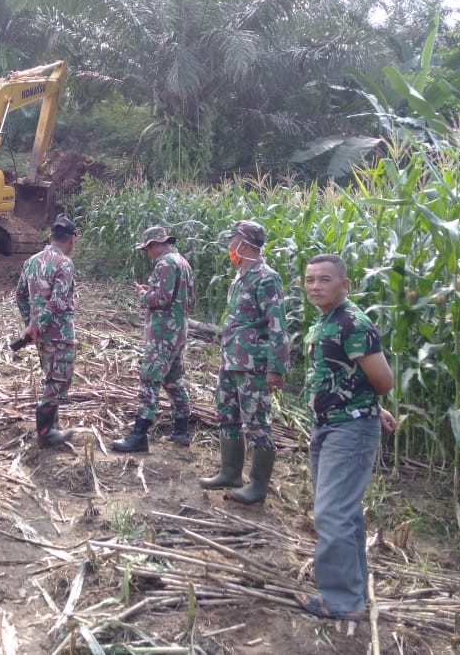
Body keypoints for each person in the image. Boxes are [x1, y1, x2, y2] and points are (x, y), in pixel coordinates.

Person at [295, 254, 398, 621]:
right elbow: (351, 375)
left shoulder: (353, 323)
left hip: (348, 429)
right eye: (309, 280)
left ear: (344, 284)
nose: (315, 286)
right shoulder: (328, 320)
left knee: (332, 514)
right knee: (344, 513)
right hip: (330, 424)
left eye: (325, 280)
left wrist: (371, 407)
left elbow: (384, 381)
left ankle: (342, 602)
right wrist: (375, 407)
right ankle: (352, 595)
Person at [201, 221, 289, 504]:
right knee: (227, 414)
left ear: (246, 244)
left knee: (256, 422)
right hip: (231, 359)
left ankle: (258, 486)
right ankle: (230, 472)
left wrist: (276, 367)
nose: (230, 247)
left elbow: (277, 326)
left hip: (253, 364)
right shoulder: (240, 276)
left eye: (233, 241)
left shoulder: (266, 278)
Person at [113, 226, 194, 452]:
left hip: (163, 332)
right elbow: (181, 295)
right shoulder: (182, 263)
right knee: (173, 379)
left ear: (154, 245)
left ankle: (139, 434)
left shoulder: (165, 264)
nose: (147, 254)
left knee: (150, 380)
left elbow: (161, 298)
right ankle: (181, 429)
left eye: (147, 249)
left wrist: (143, 295)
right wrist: (153, 291)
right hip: (178, 329)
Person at [15, 215, 79, 448]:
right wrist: (36, 325)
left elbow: (20, 295)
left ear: (51, 236)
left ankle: (52, 425)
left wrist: (30, 323)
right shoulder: (64, 264)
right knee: (59, 380)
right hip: (59, 333)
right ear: (71, 240)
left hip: (41, 335)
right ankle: (45, 433)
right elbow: (58, 302)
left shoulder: (31, 261)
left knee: (52, 376)